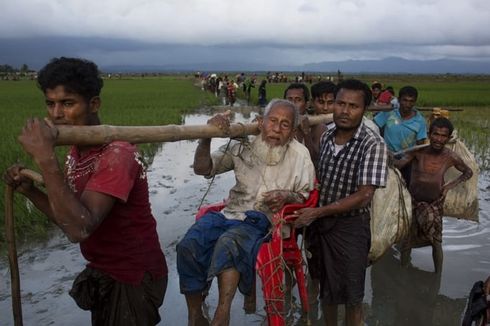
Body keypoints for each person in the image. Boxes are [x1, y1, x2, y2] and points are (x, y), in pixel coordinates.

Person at [3, 57, 168, 325]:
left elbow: (80, 229)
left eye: (68, 103)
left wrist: (45, 160)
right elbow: (69, 215)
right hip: (104, 270)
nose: (56, 114)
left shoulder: (117, 154)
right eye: (50, 103)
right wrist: (31, 192)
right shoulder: (77, 153)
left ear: (93, 104)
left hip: (133, 276)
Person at [176, 99, 316, 326]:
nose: (277, 129)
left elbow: (305, 195)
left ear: (292, 131)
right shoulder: (243, 144)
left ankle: (222, 314)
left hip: (265, 220)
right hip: (230, 213)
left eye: (285, 124)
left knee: (229, 243)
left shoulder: (299, 154)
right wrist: (207, 135)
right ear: (261, 122)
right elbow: (203, 169)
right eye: (272, 121)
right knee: (188, 245)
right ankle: (195, 314)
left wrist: (286, 196)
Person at [293, 79, 388, 326]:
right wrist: (304, 135)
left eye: (353, 106)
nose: (345, 111)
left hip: (350, 228)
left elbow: (365, 194)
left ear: (364, 109)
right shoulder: (327, 137)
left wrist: (317, 212)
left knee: (352, 296)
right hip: (321, 226)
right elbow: (317, 170)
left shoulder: (372, 143)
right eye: (340, 103)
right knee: (327, 290)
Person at [394, 118, 473, 273]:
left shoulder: (450, 156)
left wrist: (450, 186)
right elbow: (400, 164)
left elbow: (468, 172)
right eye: (435, 134)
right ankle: (403, 273)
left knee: (436, 242)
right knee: (407, 241)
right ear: (429, 134)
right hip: (414, 202)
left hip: (434, 204)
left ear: (449, 138)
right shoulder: (418, 151)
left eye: (443, 136)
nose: (438, 139)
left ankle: (438, 275)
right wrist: (390, 157)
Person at [373, 85, 427, 153]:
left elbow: (420, 146)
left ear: (415, 102)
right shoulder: (389, 113)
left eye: (411, 101)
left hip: (408, 158)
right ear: (398, 100)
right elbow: (373, 127)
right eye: (405, 100)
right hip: (386, 154)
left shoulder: (420, 121)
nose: (408, 104)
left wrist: (407, 159)